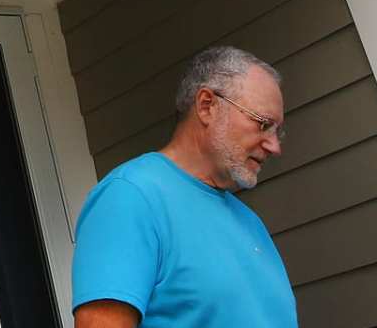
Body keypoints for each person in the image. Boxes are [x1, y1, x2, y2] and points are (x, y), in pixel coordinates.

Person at [69, 45, 298, 327]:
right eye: (263, 124)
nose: (274, 146)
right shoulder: (131, 195)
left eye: (278, 131)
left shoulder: (250, 222)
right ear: (207, 106)